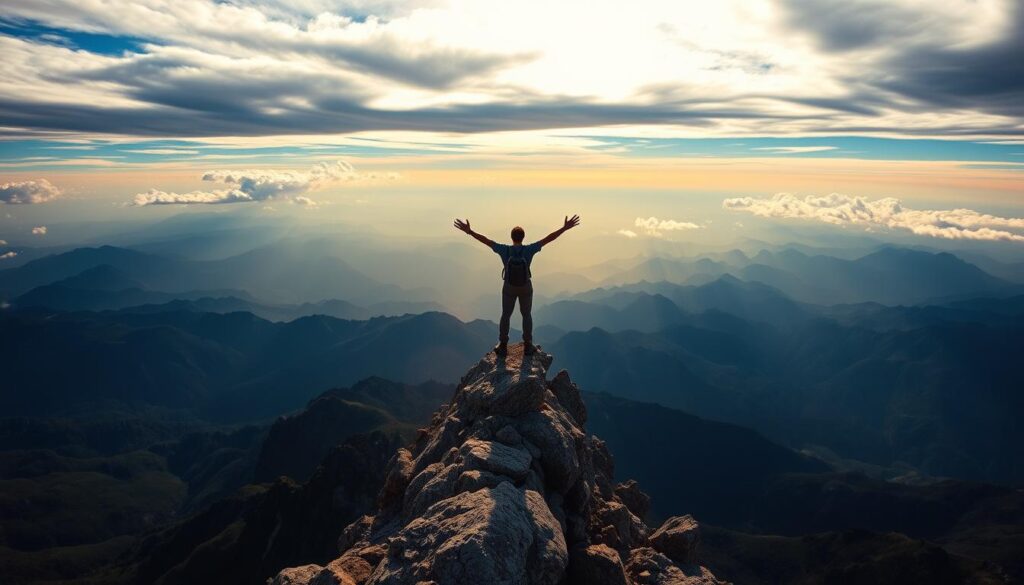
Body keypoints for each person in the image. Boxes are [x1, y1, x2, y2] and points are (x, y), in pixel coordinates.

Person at [454, 215, 581, 356]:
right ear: (523, 237)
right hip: (525, 287)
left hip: (509, 287)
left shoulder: (504, 250)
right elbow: (549, 239)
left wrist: (470, 232)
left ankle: (502, 345)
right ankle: (528, 345)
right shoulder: (529, 250)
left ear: (511, 237)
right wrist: (564, 228)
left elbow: (487, 241)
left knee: (506, 315)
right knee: (526, 315)